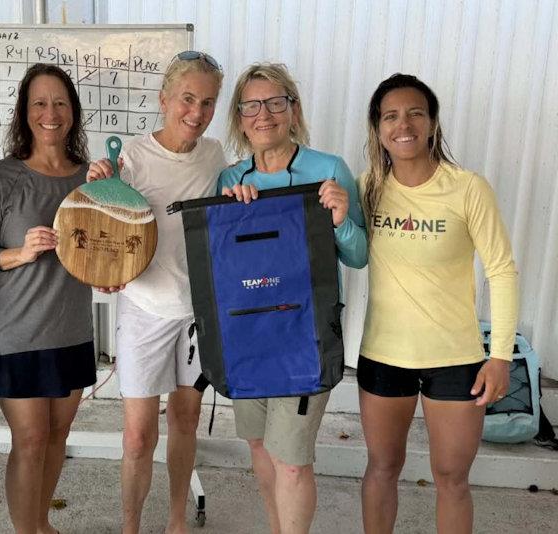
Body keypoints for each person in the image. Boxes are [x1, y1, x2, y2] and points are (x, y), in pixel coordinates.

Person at [357, 73, 518, 534]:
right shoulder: (366, 187)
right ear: (378, 127)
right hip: (384, 356)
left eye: (415, 113)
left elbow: (502, 270)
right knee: (382, 469)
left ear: (432, 123)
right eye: (390, 115)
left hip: (456, 359)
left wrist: (500, 356)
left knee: (452, 478)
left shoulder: (468, 188)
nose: (403, 124)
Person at [219, 63, 367, 534]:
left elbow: (359, 255)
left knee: (293, 461)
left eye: (275, 102)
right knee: (261, 446)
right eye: (251, 106)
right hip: (247, 335)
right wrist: (226, 215)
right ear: (240, 118)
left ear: (293, 109)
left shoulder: (329, 169)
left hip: (305, 337)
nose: (264, 114)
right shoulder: (231, 175)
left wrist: (341, 217)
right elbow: (217, 265)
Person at [87, 51, 227, 534]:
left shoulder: (215, 156)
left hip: (196, 315)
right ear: (164, 99)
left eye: (208, 102)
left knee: (185, 424)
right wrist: (98, 185)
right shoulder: (132, 157)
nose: (197, 111)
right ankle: (130, 527)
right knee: (138, 436)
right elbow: (105, 228)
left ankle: (175, 523)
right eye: (187, 98)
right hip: (145, 309)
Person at [0, 63, 95, 534]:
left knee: (58, 436)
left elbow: (107, 252)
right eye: (40, 103)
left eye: (60, 102)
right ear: (25, 112)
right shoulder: (0, 176)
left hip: (72, 329)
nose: (51, 113)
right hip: (15, 330)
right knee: (30, 439)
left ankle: (40, 523)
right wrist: (20, 253)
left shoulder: (91, 177)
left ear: (73, 112)